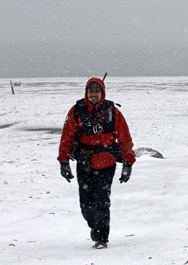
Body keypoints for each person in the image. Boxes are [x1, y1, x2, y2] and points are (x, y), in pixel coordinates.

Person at [58, 78, 135, 249]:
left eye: (97, 91)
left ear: (102, 92)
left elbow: (124, 138)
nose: (93, 94)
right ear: (86, 93)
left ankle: (101, 238)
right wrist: (64, 161)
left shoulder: (112, 112)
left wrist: (128, 164)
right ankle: (94, 225)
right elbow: (67, 137)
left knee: (102, 201)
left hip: (107, 162)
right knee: (86, 205)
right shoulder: (76, 110)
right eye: (90, 91)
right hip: (84, 162)